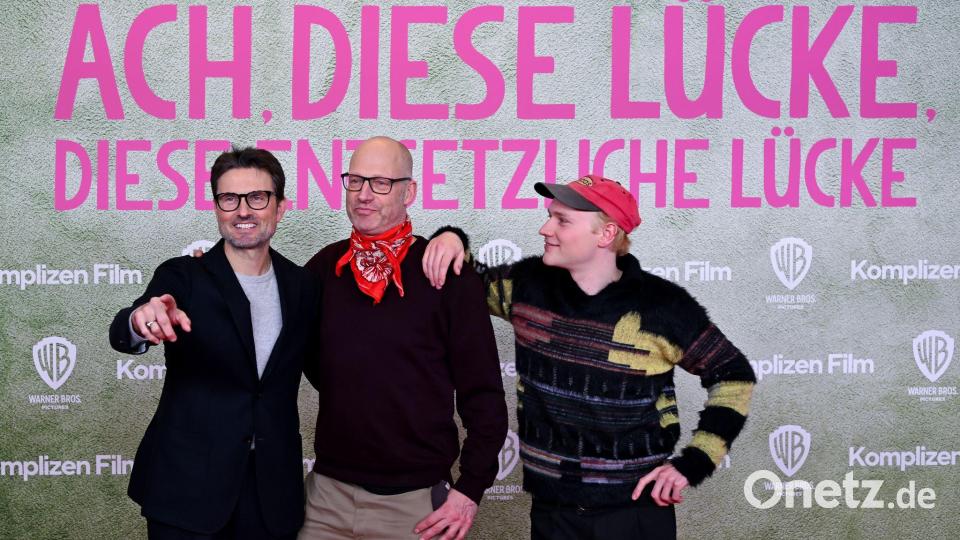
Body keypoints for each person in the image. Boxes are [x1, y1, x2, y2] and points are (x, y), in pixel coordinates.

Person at [423, 175, 756, 539]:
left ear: (606, 234)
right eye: (550, 215)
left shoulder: (664, 307)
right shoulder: (525, 286)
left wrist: (694, 463)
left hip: (636, 516)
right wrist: (452, 236)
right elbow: (462, 277)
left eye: (562, 220)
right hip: (553, 516)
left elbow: (733, 375)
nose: (544, 228)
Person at [298, 136, 508, 540]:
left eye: (380, 183)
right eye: (355, 181)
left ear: (409, 191)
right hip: (325, 497)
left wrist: (469, 489)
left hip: (415, 506)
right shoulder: (324, 268)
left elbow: (483, 394)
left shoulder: (447, 274)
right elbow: (298, 347)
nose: (363, 195)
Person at [109, 147, 318, 539]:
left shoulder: (303, 286)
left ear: (281, 207)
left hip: (271, 495)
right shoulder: (183, 275)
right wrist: (141, 320)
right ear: (217, 207)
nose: (243, 210)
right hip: (187, 489)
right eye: (229, 198)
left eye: (257, 197)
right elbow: (130, 324)